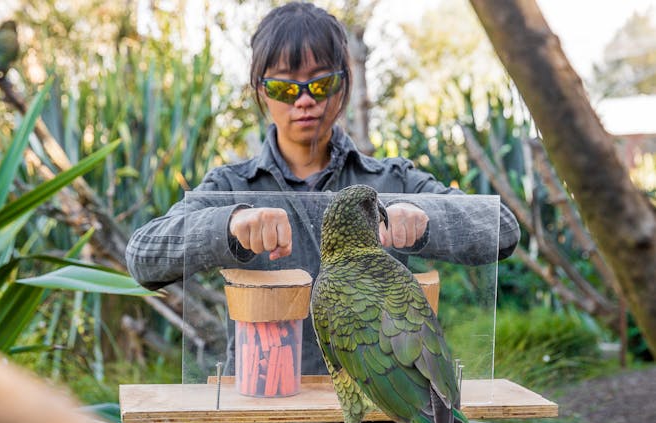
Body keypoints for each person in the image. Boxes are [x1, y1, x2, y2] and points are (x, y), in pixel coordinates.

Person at [127, 2, 519, 375]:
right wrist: (227, 226)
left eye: (320, 84)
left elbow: (502, 229)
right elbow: (142, 257)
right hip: (262, 410)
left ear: (343, 83)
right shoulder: (231, 187)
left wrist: (426, 219)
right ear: (262, 90)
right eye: (284, 87)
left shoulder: (391, 181)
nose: (303, 101)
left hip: (383, 406)